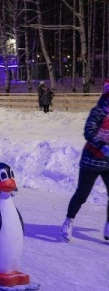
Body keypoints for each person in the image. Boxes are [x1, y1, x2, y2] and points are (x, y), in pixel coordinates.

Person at [61, 79, 109, 242]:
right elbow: (88, 132)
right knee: (82, 194)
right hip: (91, 161)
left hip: (108, 163)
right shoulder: (98, 111)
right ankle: (68, 221)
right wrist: (103, 146)